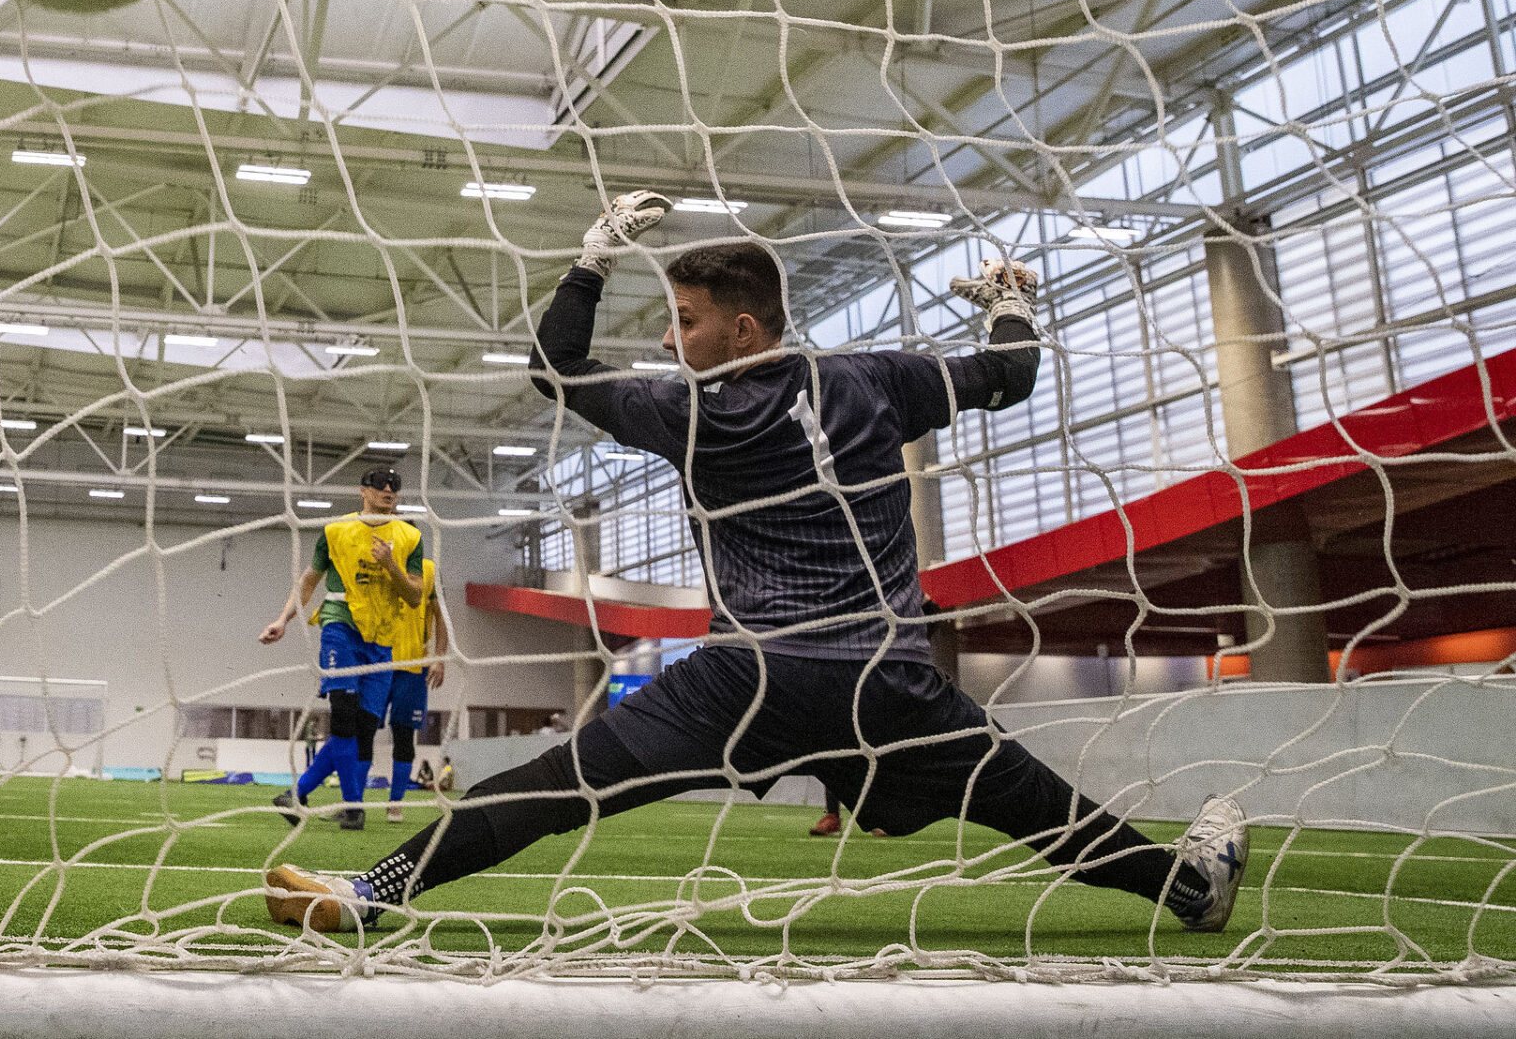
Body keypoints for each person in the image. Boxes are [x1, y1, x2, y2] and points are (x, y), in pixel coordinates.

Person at [263, 194, 1249, 935]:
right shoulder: (880, 381)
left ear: (741, 329)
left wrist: (593, 259)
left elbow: (555, 366)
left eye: (683, 319)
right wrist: (1003, 301)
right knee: (1042, 810)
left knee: (558, 785)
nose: (668, 336)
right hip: (888, 686)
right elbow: (1012, 376)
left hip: (750, 684)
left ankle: (373, 892)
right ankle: (1190, 890)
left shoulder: (690, 412)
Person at [260, 466, 425, 831]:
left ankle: (297, 793)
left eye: (395, 484)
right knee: (345, 717)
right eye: (380, 483)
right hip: (340, 628)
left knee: (365, 728)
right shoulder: (336, 531)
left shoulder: (410, 537)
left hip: (382, 641)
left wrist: (391, 566)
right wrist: (282, 620)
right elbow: (308, 581)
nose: (388, 489)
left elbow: (415, 596)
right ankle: (354, 808)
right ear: (362, 491)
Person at [377, 556, 446, 823]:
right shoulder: (377, 563)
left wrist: (439, 658)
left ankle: (395, 803)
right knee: (359, 730)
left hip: (413, 668)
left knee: (404, 736)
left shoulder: (429, 570)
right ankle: (353, 803)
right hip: (376, 664)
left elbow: (441, 617)